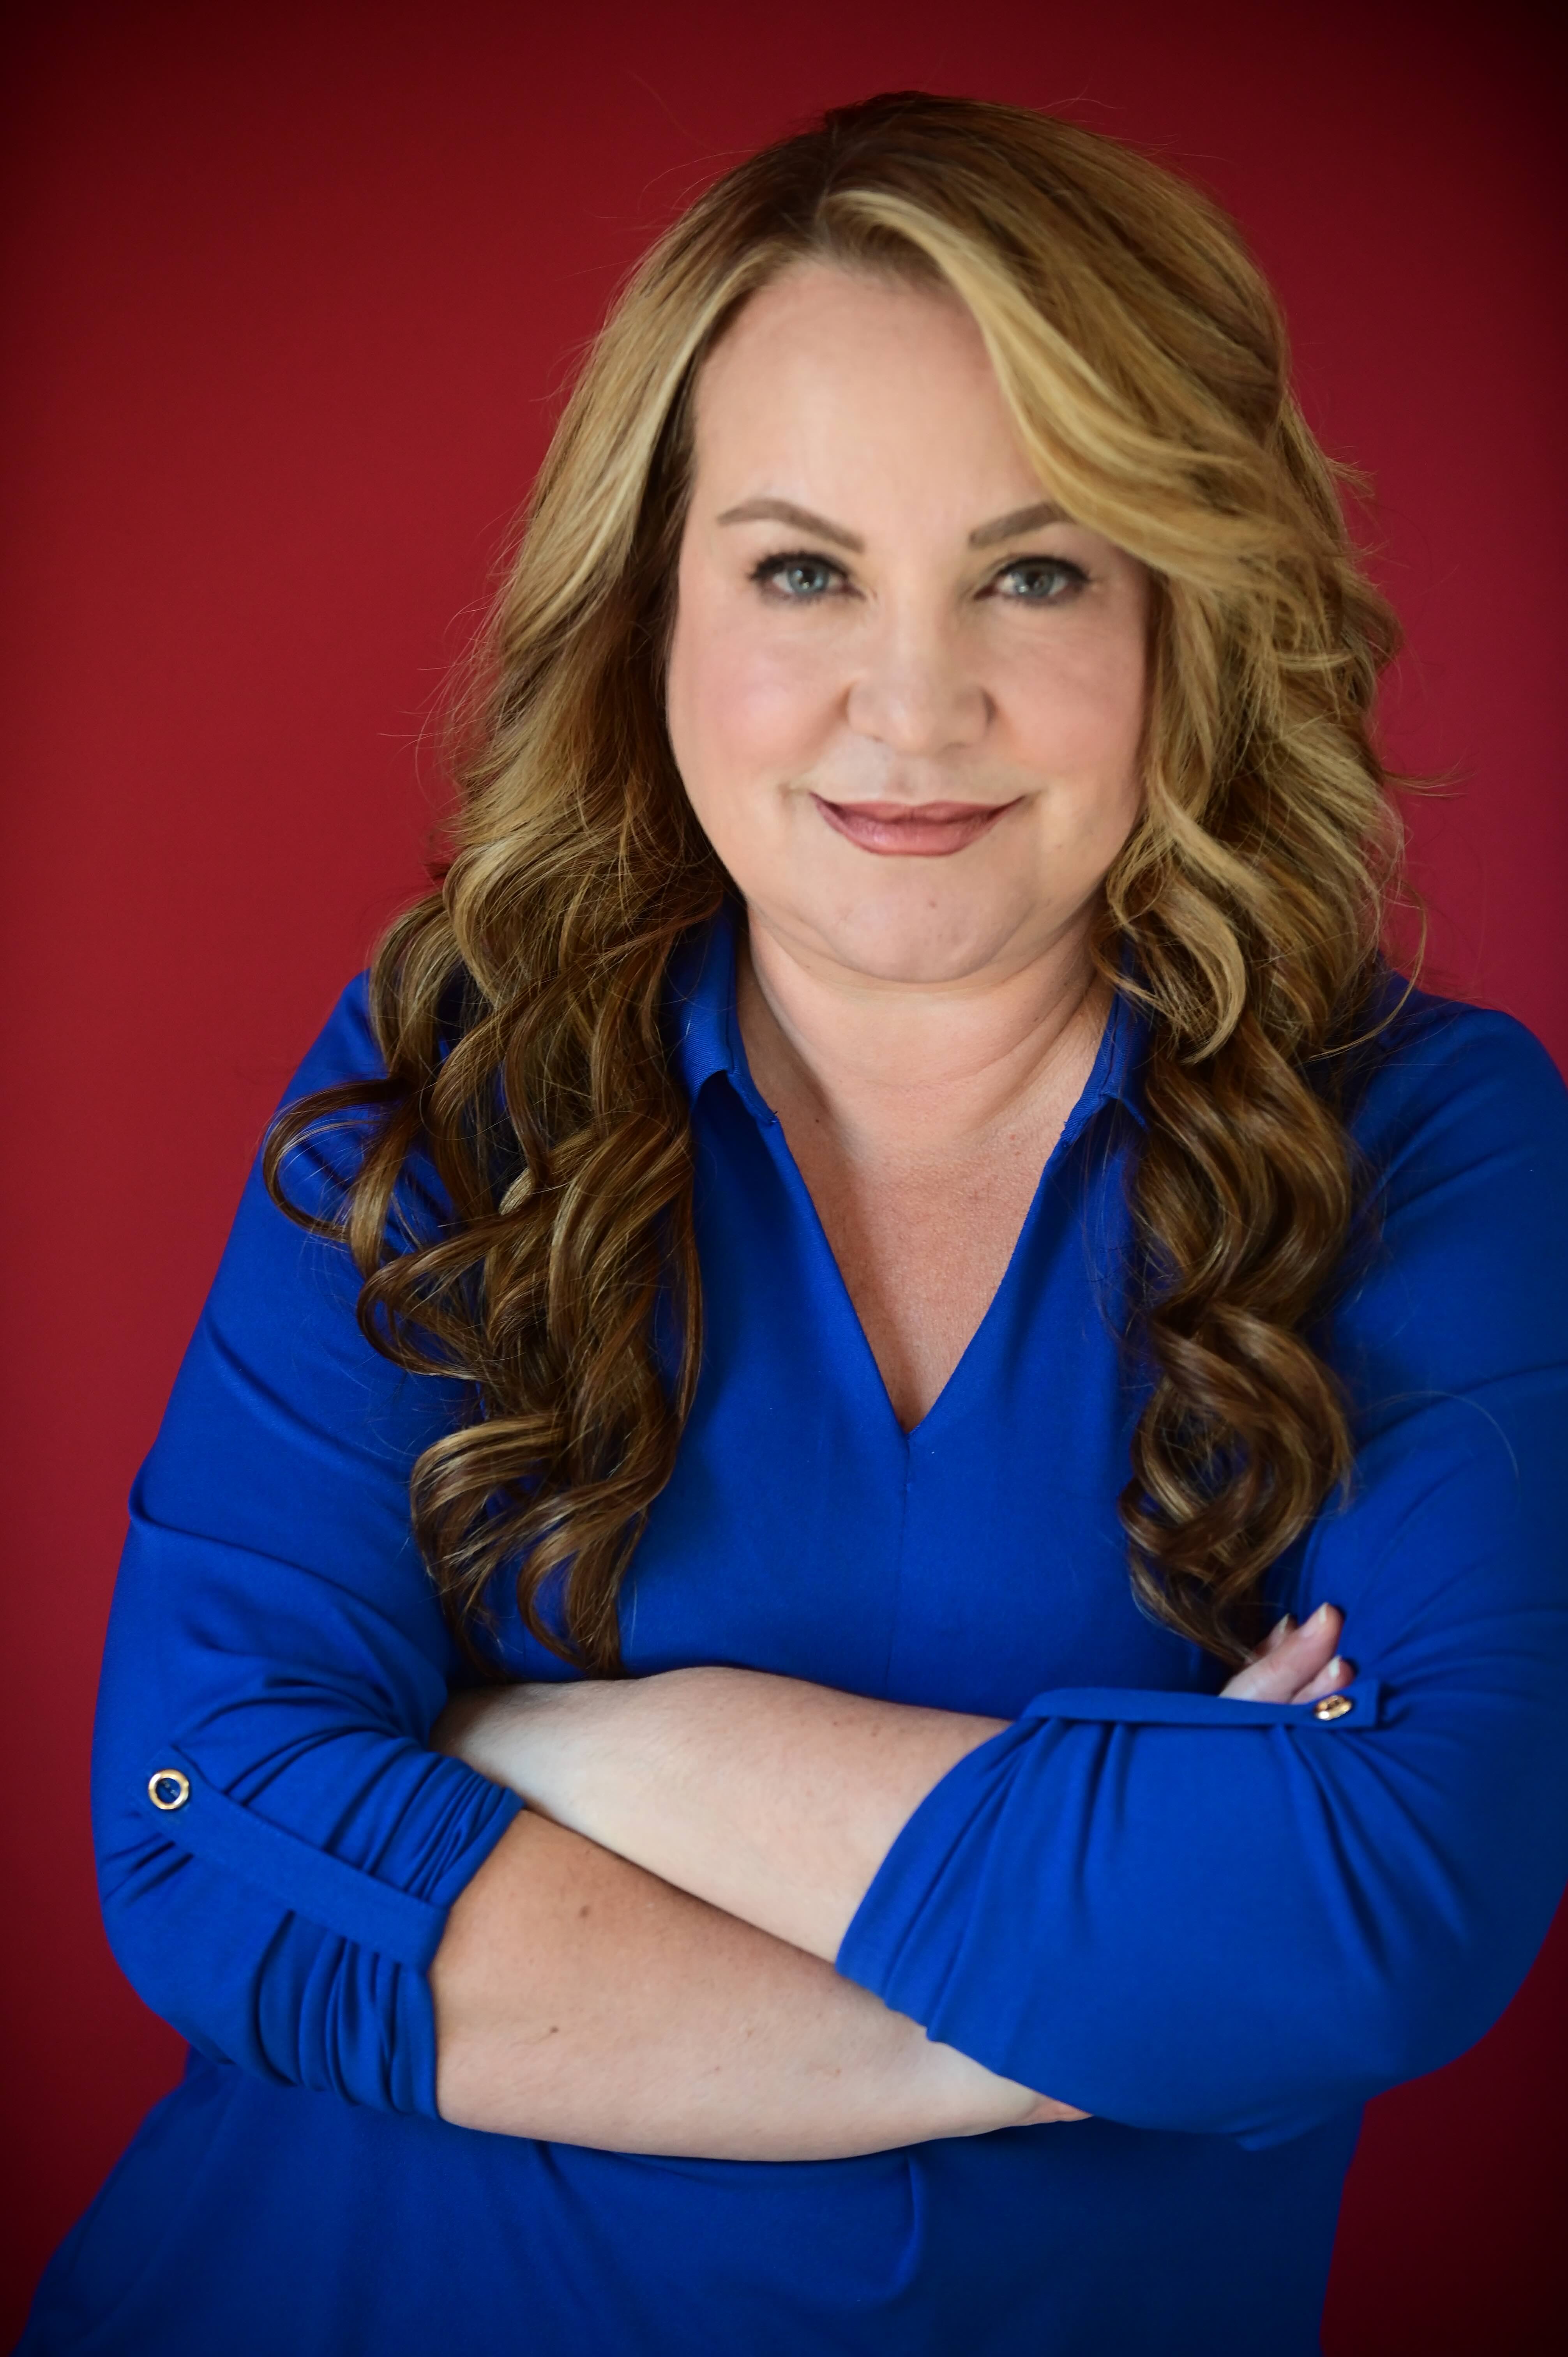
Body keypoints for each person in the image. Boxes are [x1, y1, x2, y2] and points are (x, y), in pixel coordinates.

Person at [21, 90, 1568, 2357]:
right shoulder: (462, 1073)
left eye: (1035, 571)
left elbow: (1386, 1913)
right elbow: (196, 1833)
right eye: (803, 571)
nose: (910, 708)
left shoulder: (1426, 1141)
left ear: (1188, 615)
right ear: (655, 605)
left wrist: (570, 1745)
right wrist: (1052, 2031)